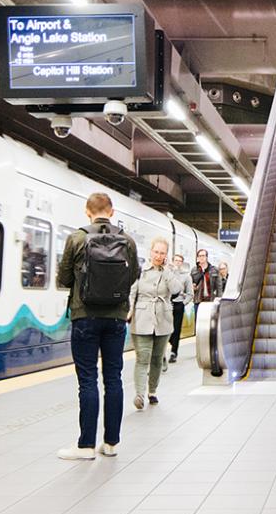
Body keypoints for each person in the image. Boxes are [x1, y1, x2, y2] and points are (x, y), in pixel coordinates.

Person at [56, 192, 139, 460]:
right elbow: (134, 274)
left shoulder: (77, 238)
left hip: (84, 316)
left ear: (87, 211)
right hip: (116, 317)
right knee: (113, 378)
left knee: (88, 380)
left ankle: (86, 446)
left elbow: (63, 277)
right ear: (112, 212)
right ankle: (111, 442)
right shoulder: (127, 240)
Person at [129, 237, 175, 408]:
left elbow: (177, 290)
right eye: (156, 251)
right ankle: (139, 394)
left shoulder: (169, 272)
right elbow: (132, 292)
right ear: (150, 251)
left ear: (166, 255)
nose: (158, 255)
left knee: (156, 359)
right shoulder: (140, 270)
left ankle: (152, 391)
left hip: (163, 320)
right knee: (142, 358)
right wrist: (129, 310)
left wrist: (168, 270)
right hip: (142, 319)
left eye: (162, 253)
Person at [168, 253, 193, 363]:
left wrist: (184, 303)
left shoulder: (186, 276)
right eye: (176, 260)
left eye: (179, 261)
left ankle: (174, 352)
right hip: (167, 304)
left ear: (182, 263)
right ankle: (171, 342)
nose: (177, 262)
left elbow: (190, 293)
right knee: (166, 328)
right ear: (173, 261)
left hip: (179, 305)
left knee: (176, 329)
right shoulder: (167, 274)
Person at [191, 249, 219, 315]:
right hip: (198, 300)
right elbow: (190, 285)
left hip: (211, 300)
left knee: (209, 321)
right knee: (198, 321)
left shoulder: (214, 270)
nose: (201, 257)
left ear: (206, 257)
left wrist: (219, 300)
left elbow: (219, 287)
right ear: (197, 257)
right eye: (199, 256)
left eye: (203, 255)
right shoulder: (194, 270)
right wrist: (193, 287)